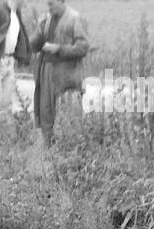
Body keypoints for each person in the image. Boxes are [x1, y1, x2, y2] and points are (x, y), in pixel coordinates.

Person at [33, 0, 90, 147]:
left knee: (69, 117)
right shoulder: (47, 19)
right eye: (48, 4)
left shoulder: (75, 18)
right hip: (46, 71)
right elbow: (35, 44)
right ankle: (48, 152)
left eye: (52, 4)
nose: (49, 7)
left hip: (67, 76)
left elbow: (83, 48)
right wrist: (38, 29)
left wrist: (58, 48)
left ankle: (68, 154)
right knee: (46, 113)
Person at [0, 0, 32, 124]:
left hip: (10, 61)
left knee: (5, 103)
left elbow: (20, 36)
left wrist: (24, 55)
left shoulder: (15, 13)